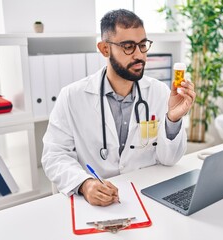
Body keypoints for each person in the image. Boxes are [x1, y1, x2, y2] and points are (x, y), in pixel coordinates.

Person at [42, 9, 196, 206]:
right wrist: (84, 184)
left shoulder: (158, 91)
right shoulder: (71, 97)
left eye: (142, 45)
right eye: (128, 47)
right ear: (105, 49)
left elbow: (169, 160)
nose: (139, 55)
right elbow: (54, 155)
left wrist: (172, 120)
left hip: (146, 196)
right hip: (96, 204)